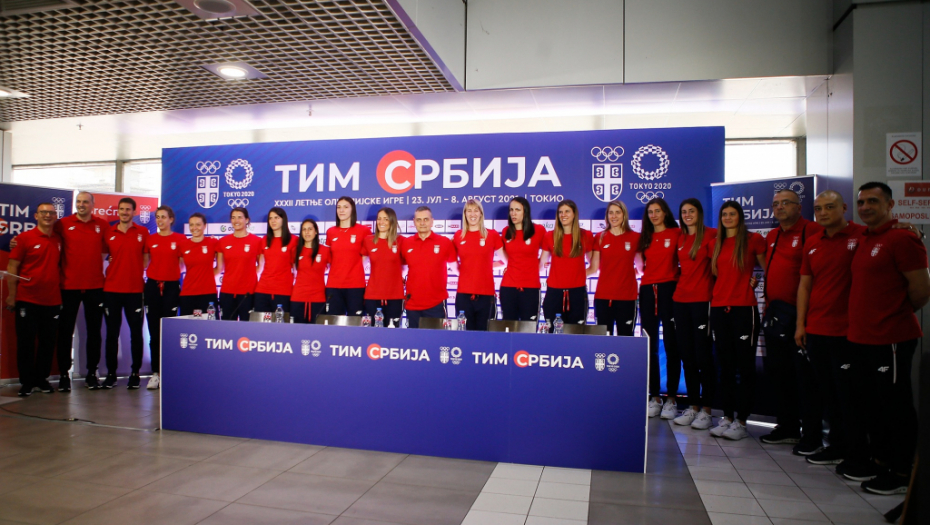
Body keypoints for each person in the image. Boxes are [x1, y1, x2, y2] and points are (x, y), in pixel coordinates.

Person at [847, 182, 929, 495]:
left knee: (896, 407)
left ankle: (901, 471)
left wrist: (890, 314)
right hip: (861, 338)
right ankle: (880, 462)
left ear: (890, 205)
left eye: (873, 201)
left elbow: (921, 291)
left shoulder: (903, 238)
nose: (865, 207)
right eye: (862, 202)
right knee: (871, 406)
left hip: (891, 339)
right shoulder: (863, 238)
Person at [794, 191, 867, 469]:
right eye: (818, 208)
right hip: (817, 328)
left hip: (848, 332)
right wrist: (801, 324)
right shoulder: (813, 242)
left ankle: (856, 450)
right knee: (826, 392)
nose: (823, 213)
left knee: (849, 395)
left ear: (844, 208)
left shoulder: (862, 236)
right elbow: (805, 286)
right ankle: (835, 446)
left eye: (829, 207)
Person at [760, 189, 824, 454]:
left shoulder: (813, 231)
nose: (780, 207)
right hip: (776, 316)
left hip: (802, 317)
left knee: (805, 380)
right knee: (780, 375)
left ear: (800, 206)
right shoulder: (772, 235)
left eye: (786, 203)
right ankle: (786, 427)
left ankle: (811, 435)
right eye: (776, 204)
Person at [708, 200, 767, 441]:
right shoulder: (715, 243)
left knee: (744, 367)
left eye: (732, 214)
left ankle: (742, 420)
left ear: (740, 217)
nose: (728, 218)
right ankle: (728, 417)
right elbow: (715, 274)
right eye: (724, 214)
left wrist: (754, 281)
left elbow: (767, 268)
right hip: (720, 309)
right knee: (726, 367)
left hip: (745, 310)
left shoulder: (753, 240)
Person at [52, 191, 109, 391]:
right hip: (68, 286)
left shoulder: (102, 225)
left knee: (94, 332)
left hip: (95, 286)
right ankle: (64, 375)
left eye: (85, 202)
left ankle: (91, 373)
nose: (81, 204)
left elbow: (109, 249)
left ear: (93, 205)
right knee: (65, 332)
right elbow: (47, 241)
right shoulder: (63, 224)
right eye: (78, 202)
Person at [6, 202, 62, 397]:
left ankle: (41, 379)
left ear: (56, 216)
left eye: (51, 213)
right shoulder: (23, 239)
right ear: (36, 216)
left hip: (52, 300)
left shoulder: (59, 239)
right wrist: (12, 295)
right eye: (43, 212)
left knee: (47, 343)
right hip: (27, 299)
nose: (47, 215)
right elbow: (12, 268)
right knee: (26, 343)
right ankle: (26, 382)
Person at [671, 198, 718, 430]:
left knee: (703, 357)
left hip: (702, 302)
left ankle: (707, 410)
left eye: (691, 211)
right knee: (687, 356)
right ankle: (693, 406)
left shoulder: (712, 235)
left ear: (699, 213)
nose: (688, 215)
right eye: (684, 211)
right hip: (680, 301)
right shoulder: (679, 238)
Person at [638, 198, 682, 420]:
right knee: (650, 346)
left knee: (672, 345)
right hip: (647, 291)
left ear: (665, 213)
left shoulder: (676, 234)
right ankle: (654, 396)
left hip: (670, 290)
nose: (654, 215)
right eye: (650, 212)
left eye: (657, 211)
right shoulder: (645, 238)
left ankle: (672, 399)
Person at [102, 197, 149, 389]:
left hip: (134, 290)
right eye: (121, 209)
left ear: (134, 212)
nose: (124, 212)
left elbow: (145, 259)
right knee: (111, 334)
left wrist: (134, 271)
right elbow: (104, 256)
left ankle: (135, 373)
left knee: (136, 334)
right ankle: (111, 374)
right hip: (111, 290)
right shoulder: (108, 232)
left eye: (128, 209)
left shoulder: (143, 232)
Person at [142, 205, 185, 390]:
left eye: (163, 217)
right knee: (153, 331)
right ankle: (155, 373)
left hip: (171, 288)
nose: (160, 220)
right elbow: (145, 262)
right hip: (152, 286)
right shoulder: (150, 239)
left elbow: (183, 264)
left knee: (169, 331)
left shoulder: (180, 239)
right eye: (157, 217)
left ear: (171, 219)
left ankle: (170, 371)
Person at [587, 200, 641, 336]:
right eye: (611, 213)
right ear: (607, 216)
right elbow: (593, 268)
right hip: (603, 297)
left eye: (617, 212)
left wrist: (626, 273)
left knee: (626, 338)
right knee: (604, 340)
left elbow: (641, 268)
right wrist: (570, 277)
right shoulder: (600, 237)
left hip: (627, 297)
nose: (614, 216)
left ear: (624, 215)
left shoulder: (635, 237)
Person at [540, 199, 594, 326]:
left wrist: (577, 275)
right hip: (554, 293)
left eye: (567, 211)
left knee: (576, 334)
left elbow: (594, 266)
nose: (563, 215)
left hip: (577, 293)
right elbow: (541, 264)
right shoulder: (549, 236)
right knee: (553, 333)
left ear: (574, 214)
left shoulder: (585, 235)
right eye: (560, 212)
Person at [453, 200, 503, 330]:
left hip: (486, 295)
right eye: (469, 210)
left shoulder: (492, 235)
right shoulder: (458, 236)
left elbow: (506, 260)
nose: (472, 214)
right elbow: (452, 262)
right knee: (464, 335)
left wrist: (485, 266)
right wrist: (467, 270)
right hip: (463, 295)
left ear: (481, 213)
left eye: (476, 210)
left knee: (486, 336)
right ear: (465, 214)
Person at [404, 206, 455, 328]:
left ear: (432, 221)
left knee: (436, 344)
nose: (422, 223)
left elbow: (457, 269)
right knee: (414, 344)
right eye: (419, 219)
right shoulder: (405, 243)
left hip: (435, 304)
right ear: (414, 222)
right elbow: (399, 269)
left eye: (426, 219)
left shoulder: (445, 242)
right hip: (413, 305)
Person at [499, 197, 547, 321]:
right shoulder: (506, 231)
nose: (513, 213)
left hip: (530, 287)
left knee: (529, 328)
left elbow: (548, 250)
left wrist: (539, 265)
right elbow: (507, 257)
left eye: (517, 210)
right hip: (508, 287)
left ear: (525, 211)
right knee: (508, 328)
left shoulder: (539, 230)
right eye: (511, 210)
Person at [325, 197, 371, 316]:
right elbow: (329, 259)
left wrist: (353, 270)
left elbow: (365, 257)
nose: (342, 210)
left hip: (355, 285)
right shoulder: (331, 232)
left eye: (346, 207)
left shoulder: (363, 231)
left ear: (352, 210)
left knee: (356, 325)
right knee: (333, 324)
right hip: (333, 286)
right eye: (339, 207)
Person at [215, 207, 262, 320]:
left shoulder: (257, 241)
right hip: (227, 291)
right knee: (227, 327)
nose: (236, 220)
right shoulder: (223, 241)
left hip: (248, 293)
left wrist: (247, 276)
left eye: (240, 217)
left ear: (247, 220)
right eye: (233, 218)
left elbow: (260, 266)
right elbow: (219, 268)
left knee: (249, 328)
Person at [361, 208, 405, 327]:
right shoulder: (368, 240)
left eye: (385, 219)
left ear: (392, 221)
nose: (381, 222)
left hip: (395, 295)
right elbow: (359, 265)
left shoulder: (401, 241)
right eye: (379, 218)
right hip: (373, 295)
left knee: (393, 334)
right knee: (373, 334)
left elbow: (406, 265)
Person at [254, 207, 297, 313]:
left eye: (276, 218)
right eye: (270, 218)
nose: (273, 221)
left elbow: (296, 269)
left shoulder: (294, 240)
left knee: (282, 327)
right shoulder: (264, 240)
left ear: (283, 219)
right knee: (260, 326)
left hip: (283, 291)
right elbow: (260, 265)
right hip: (262, 289)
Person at [291, 219, 331, 324]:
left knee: (317, 334)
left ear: (316, 231)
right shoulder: (295, 251)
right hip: (298, 297)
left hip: (318, 298)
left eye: (310, 229)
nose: (307, 232)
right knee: (296, 333)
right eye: (304, 229)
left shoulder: (325, 250)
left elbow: (335, 269)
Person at [178, 213, 218, 316]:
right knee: (187, 328)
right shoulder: (183, 244)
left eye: (198, 224)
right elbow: (180, 268)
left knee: (211, 328)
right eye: (191, 225)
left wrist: (207, 275)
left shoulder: (213, 242)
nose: (194, 228)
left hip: (208, 293)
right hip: (188, 293)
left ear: (205, 226)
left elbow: (220, 267)